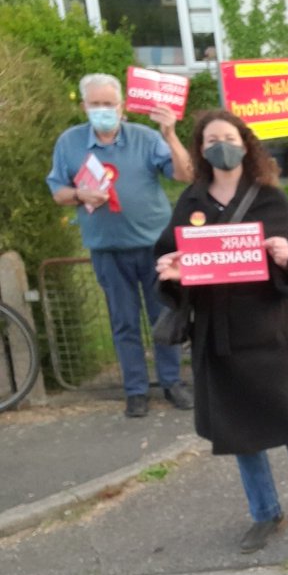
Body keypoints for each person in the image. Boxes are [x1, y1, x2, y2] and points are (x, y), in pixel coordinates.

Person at [153, 110, 288, 565]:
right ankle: (265, 512)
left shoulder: (270, 200)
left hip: (265, 333)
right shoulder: (191, 201)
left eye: (228, 137)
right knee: (240, 432)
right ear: (201, 150)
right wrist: (170, 272)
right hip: (215, 334)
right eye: (210, 139)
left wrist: (286, 257)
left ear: (245, 144)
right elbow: (172, 260)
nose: (220, 145)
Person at [47, 73, 196, 417]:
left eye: (109, 104)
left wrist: (170, 135)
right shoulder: (69, 143)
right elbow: (58, 191)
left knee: (165, 315)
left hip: (155, 246)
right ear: (84, 106)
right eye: (95, 104)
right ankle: (136, 390)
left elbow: (185, 174)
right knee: (124, 321)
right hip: (108, 248)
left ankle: (172, 382)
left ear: (122, 106)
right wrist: (79, 194)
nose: (102, 110)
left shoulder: (145, 138)